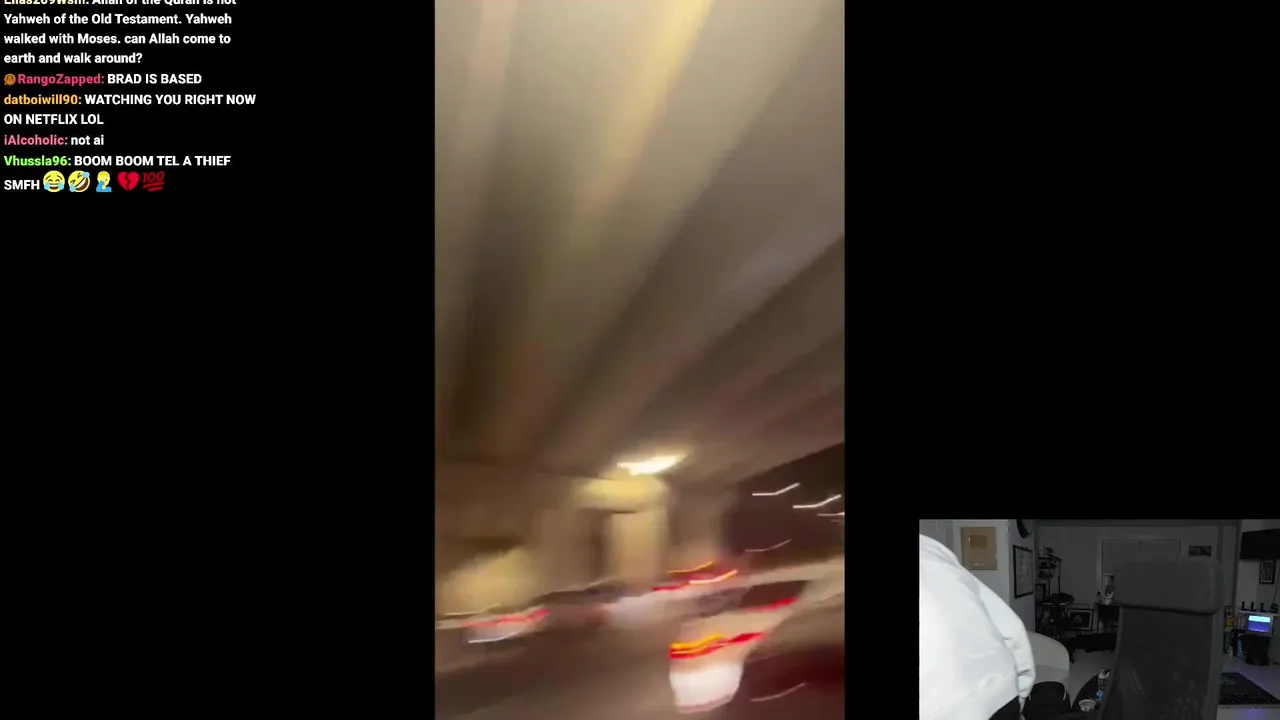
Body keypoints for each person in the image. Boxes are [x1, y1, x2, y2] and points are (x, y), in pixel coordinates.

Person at [920, 533, 1036, 720]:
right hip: (1000, 691)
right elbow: (1010, 627)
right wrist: (1018, 691)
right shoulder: (930, 547)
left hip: (945, 705)